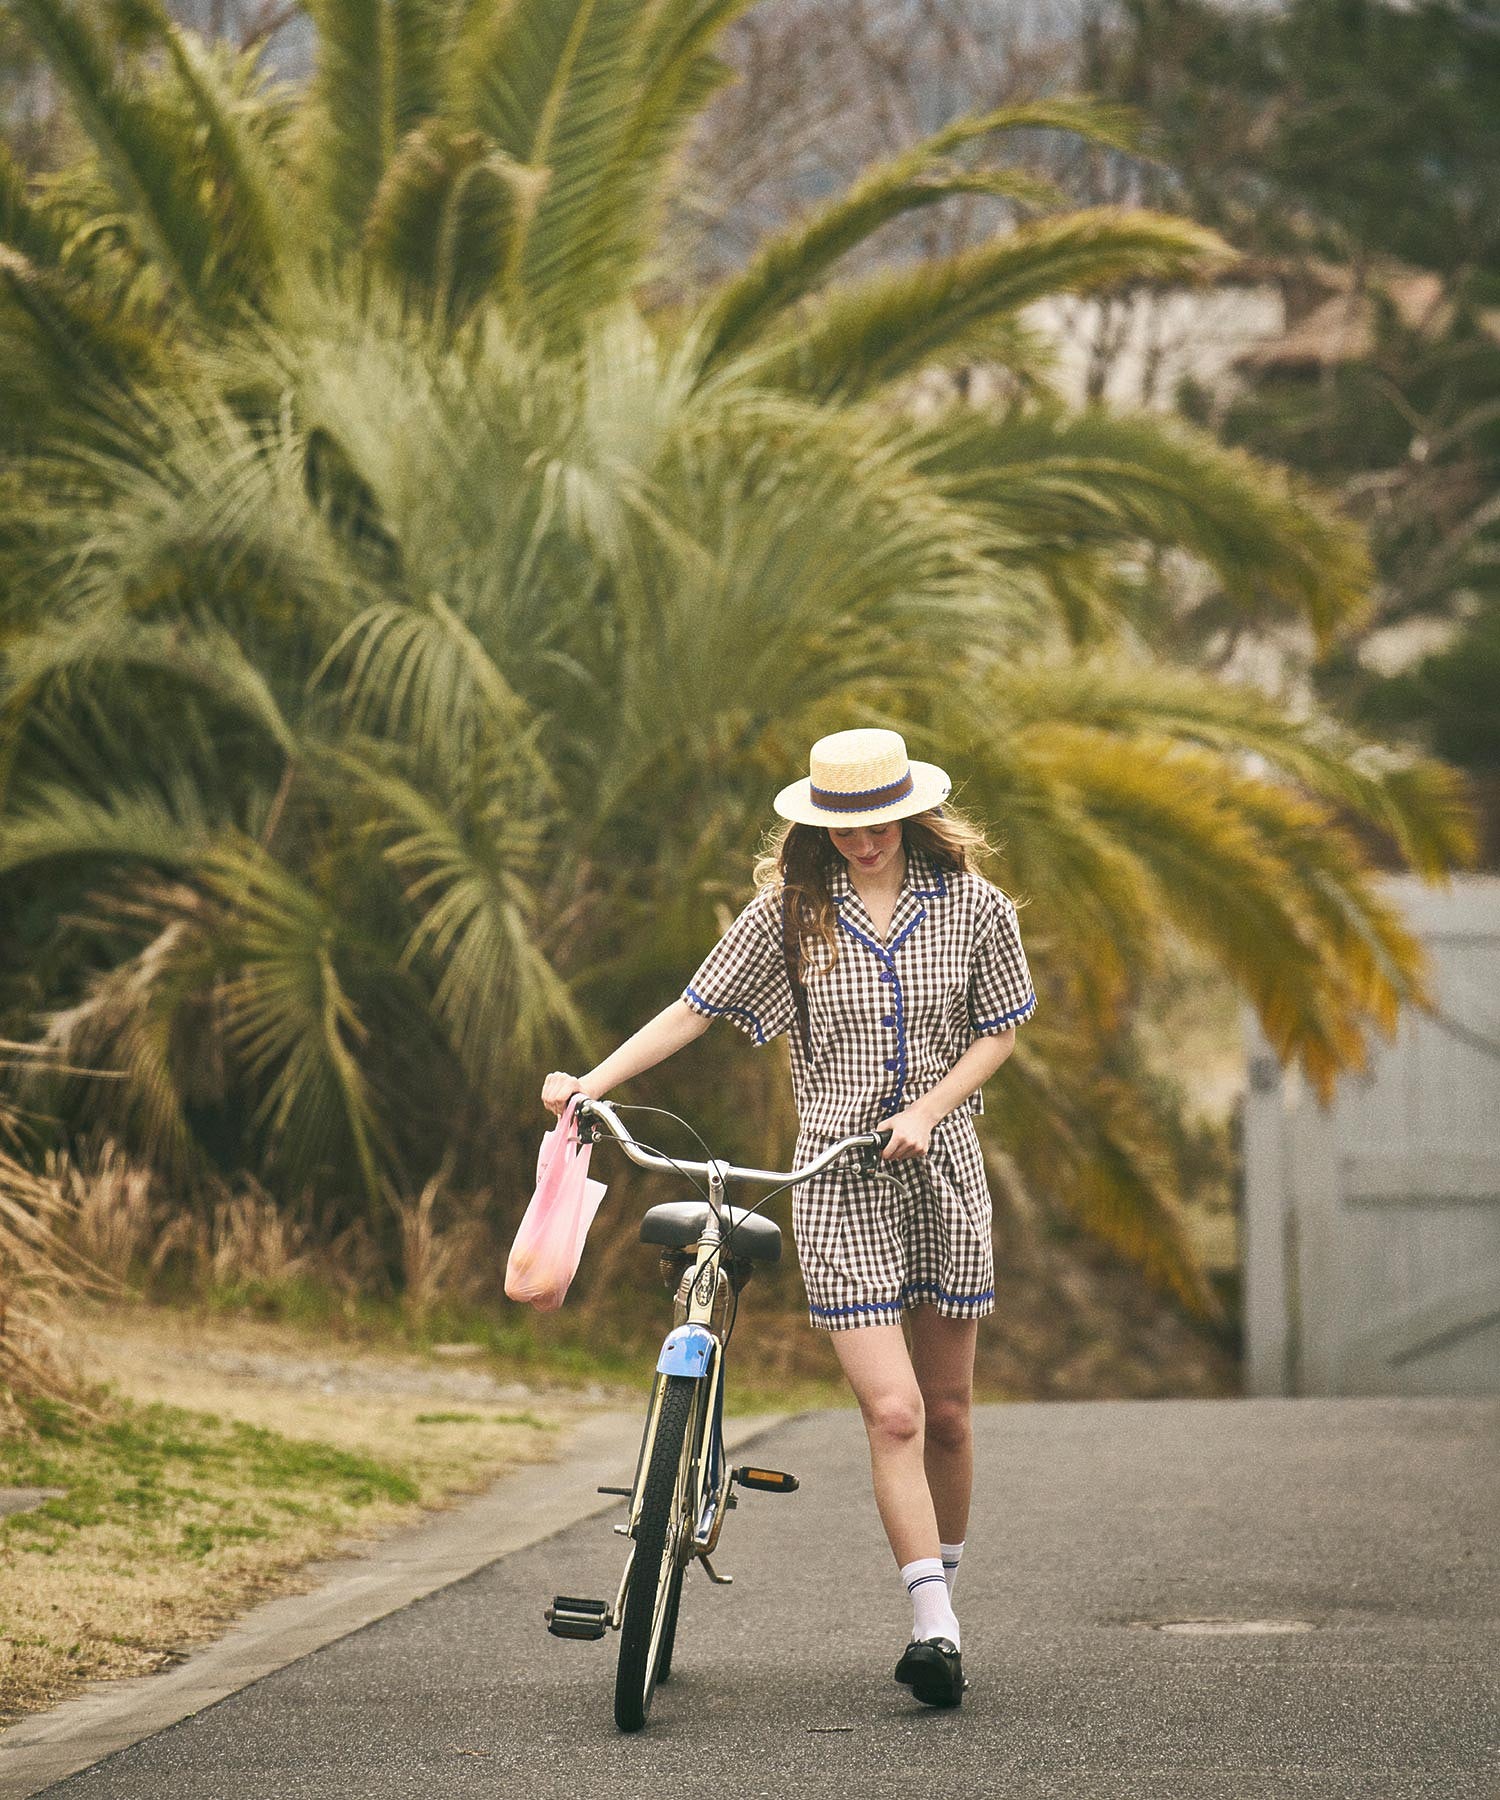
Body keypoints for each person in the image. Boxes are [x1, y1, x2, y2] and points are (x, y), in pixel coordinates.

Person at [541, 727, 1037, 1711]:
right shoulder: (789, 916)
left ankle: (942, 1600)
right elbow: (696, 1006)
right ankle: (931, 1624)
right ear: (820, 824)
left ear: (908, 810)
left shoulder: (975, 907)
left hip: (944, 1179)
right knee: (891, 1410)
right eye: (840, 825)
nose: (861, 841)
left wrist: (929, 1112)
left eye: (876, 821)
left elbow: (1002, 1026)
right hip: (839, 1184)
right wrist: (587, 1083)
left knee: (946, 1412)